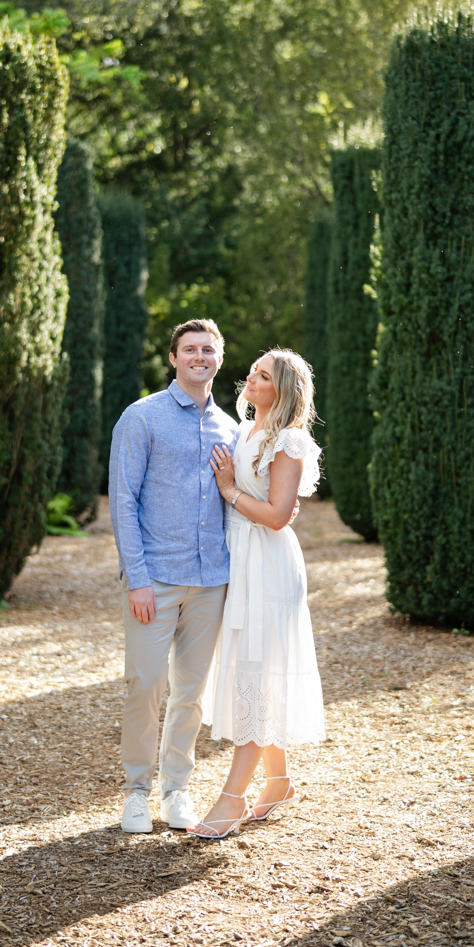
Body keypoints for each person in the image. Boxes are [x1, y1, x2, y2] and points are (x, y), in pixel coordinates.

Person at [109, 318, 239, 834]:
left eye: (208, 349)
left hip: (211, 583)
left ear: (219, 360)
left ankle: (176, 790)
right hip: (155, 580)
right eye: (190, 349)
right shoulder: (141, 418)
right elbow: (123, 501)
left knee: (191, 693)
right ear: (173, 358)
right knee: (144, 684)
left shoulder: (231, 429)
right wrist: (136, 578)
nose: (199, 357)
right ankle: (136, 792)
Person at [189, 348, 325, 840]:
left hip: (267, 564)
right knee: (252, 670)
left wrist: (228, 490)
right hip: (238, 560)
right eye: (252, 370)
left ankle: (231, 798)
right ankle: (280, 782)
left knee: (255, 672)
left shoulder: (289, 440)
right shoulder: (244, 430)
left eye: (262, 375)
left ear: (283, 389)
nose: (250, 378)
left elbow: (277, 514)